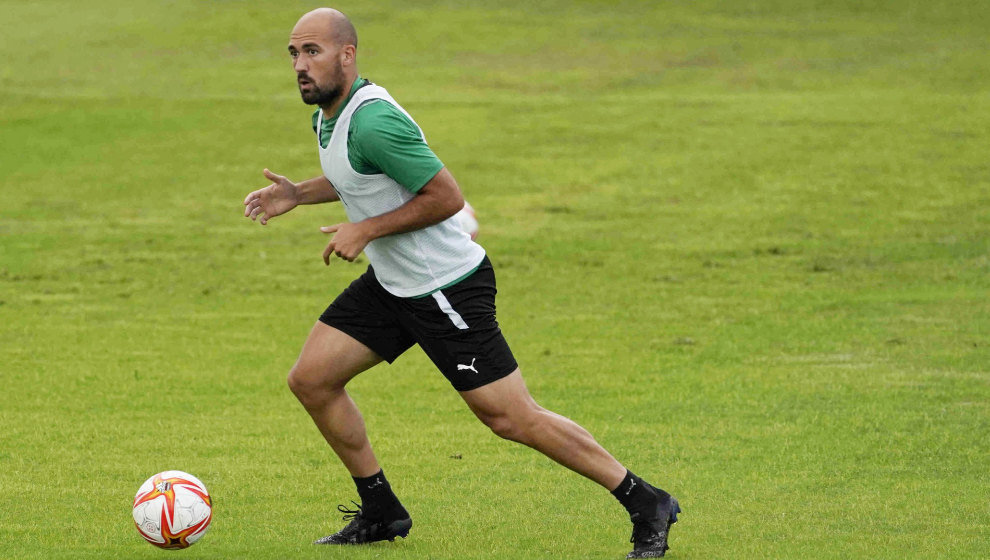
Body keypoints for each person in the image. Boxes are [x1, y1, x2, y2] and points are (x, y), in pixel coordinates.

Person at [242, 8, 680, 558]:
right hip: (394, 283)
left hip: (444, 287)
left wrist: (367, 229)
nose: (301, 66)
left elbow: (446, 197)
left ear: (347, 55)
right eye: (294, 54)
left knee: (511, 417)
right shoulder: (329, 115)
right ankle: (381, 511)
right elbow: (359, 172)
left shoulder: (374, 119)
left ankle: (646, 500)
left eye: (313, 52)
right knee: (312, 379)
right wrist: (298, 194)